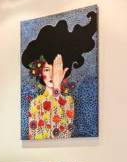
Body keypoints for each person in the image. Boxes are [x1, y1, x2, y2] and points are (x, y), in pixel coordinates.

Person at [21, 10, 97, 140]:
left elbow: (63, 135)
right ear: (40, 72)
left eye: (56, 69)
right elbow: (35, 136)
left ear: (64, 71)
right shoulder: (35, 103)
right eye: (47, 69)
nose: (52, 74)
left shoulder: (68, 102)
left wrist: (57, 87)